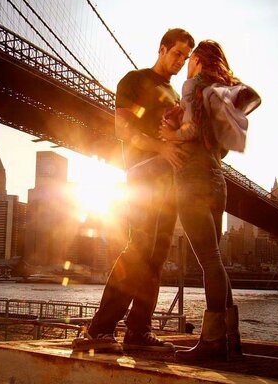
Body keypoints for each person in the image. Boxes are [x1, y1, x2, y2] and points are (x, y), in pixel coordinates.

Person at [72, 28, 195, 353]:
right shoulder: (134, 81)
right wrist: (160, 147)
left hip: (170, 183)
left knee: (155, 259)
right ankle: (100, 329)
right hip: (142, 176)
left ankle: (138, 332)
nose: (180, 61)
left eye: (185, 57)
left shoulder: (176, 95)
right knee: (138, 250)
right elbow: (122, 129)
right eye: (177, 53)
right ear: (162, 48)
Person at [159, 39, 261, 362]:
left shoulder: (195, 86)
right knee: (215, 259)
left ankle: (213, 342)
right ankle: (232, 339)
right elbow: (219, 145)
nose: (186, 64)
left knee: (208, 261)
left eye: (190, 59)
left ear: (200, 60)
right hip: (218, 184)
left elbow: (188, 133)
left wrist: (169, 134)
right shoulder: (220, 95)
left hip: (191, 182)